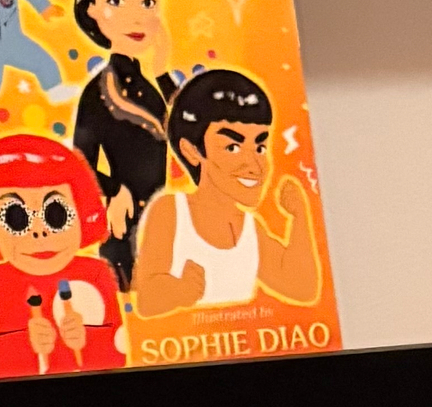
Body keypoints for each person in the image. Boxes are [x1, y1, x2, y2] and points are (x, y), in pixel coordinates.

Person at [131, 71, 324, 314]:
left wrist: (299, 216)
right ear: (191, 151)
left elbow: (302, 289)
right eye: (233, 147)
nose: (255, 165)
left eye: (260, 147)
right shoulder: (171, 211)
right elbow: (146, 301)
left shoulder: (251, 229)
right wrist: (178, 290)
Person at [0, 136, 125, 378]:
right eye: (14, 218)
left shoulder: (96, 274)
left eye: (56, 214)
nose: (39, 231)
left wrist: (87, 337)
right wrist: (25, 343)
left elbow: (119, 353)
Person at [70, 0, 181, 296]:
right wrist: (114, 190)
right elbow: (78, 163)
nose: (138, 16)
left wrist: (164, 73)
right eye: (116, 0)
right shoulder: (100, 91)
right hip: (124, 237)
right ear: (90, 8)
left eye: (148, 1)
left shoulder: (151, 86)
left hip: (161, 229)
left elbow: (189, 130)